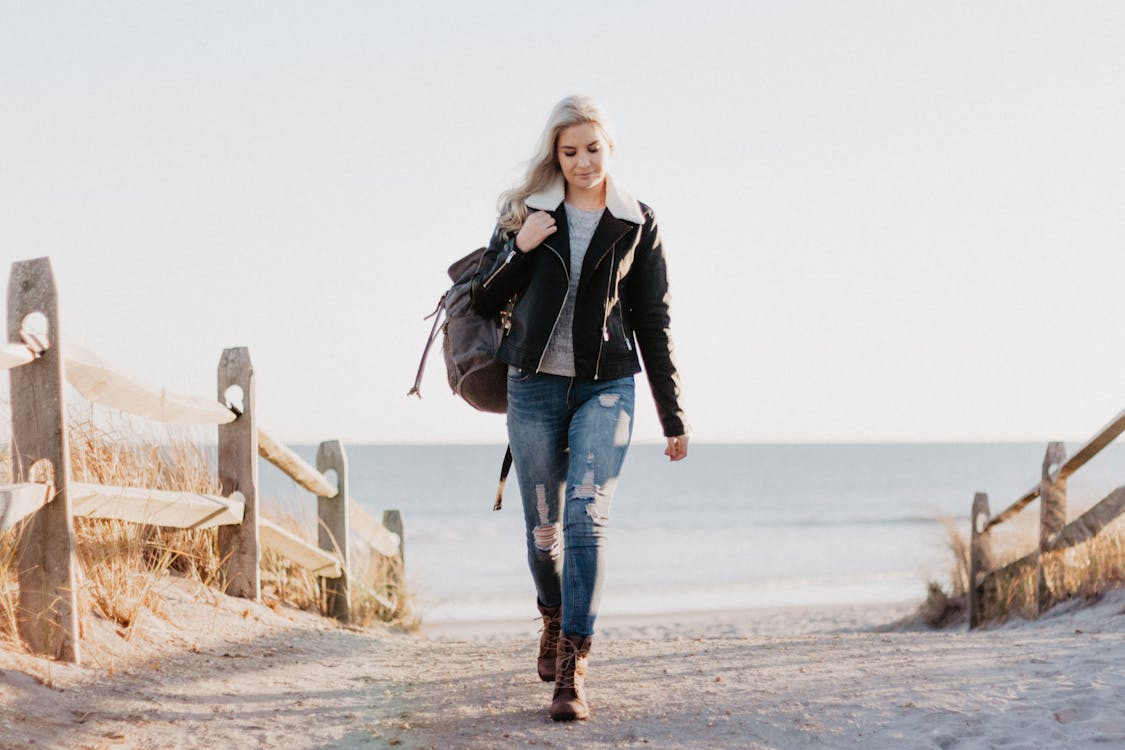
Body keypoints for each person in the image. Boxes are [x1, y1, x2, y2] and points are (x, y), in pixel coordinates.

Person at [470, 94, 688, 722]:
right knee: (543, 534)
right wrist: (524, 249)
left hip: (607, 387)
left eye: (593, 148)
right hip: (533, 385)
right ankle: (552, 613)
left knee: (586, 517)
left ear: (609, 148)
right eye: (570, 152)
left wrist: (671, 414)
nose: (584, 161)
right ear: (555, 155)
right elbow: (484, 302)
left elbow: (653, 318)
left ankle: (573, 666)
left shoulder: (637, 221)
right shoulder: (526, 214)